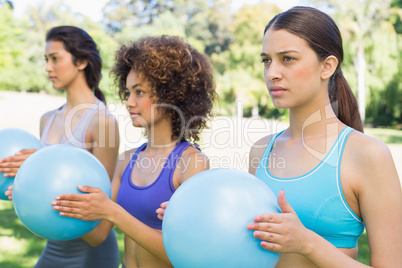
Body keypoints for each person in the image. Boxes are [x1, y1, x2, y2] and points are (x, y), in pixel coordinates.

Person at [246, 6, 402, 267]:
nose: (272, 72)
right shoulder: (261, 151)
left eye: (287, 58)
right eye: (266, 60)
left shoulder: (368, 155)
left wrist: (307, 243)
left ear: (327, 66)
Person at [50, 35, 216, 267]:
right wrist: (55, 195)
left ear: (171, 94)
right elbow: (98, 234)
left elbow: (185, 255)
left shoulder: (192, 162)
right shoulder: (127, 159)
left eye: (139, 92)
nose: (128, 102)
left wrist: (113, 212)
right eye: (128, 92)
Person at [0, 26, 120, 267]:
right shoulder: (48, 119)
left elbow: (100, 227)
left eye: (55, 59)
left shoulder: (103, 122)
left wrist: (40, 167)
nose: (47, 67)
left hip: (90, 253)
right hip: (54, 246)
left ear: (82, 61)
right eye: (46, 60)